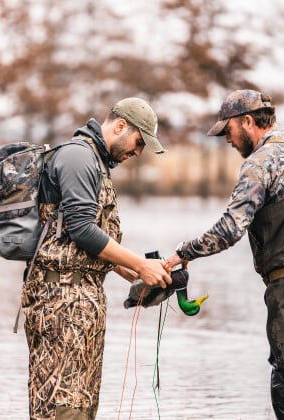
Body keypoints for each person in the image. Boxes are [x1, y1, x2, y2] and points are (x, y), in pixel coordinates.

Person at [166, 89, 284, 419]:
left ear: (246, 121)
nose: (226, 140)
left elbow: (230, 229)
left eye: (227, 131)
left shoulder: (259, 163)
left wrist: (183, 253)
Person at [22, 97, 172, 420]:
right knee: (62, 407)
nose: (138, 152)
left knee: (82, 407)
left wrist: (138, 274)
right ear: (120, 127)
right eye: (138, 142)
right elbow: (82, 230)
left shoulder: (96, 162)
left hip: (82, 303)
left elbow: (86, 244)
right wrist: (139, 264)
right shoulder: (78, 157)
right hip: (59, 304)